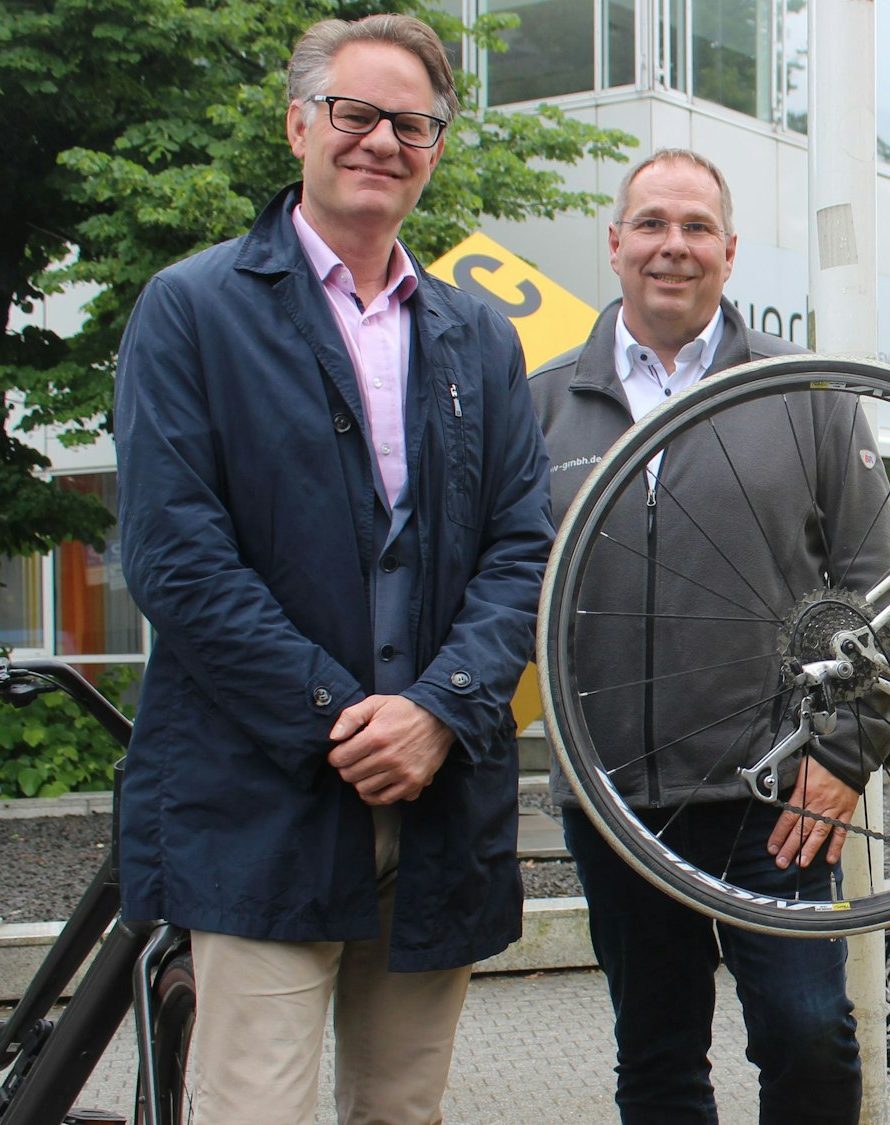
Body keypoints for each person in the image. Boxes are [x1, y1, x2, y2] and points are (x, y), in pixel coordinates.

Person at [113, 14, 551, 1123]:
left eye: (412, 123)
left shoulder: (480, 339)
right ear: (300, 122)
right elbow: (175, 557)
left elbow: (520, 550)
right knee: (251, 1105)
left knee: (401, 1112)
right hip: (261, 793)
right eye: (355, 114)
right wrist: (339, 716)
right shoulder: (193, 308)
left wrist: (438, 711)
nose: (381, 141)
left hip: (441, 794)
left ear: (436, 148)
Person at [530, 148, 890, 1124]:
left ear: (729, 253)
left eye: (695, 228)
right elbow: (504, 590)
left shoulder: (804, 390)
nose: (672, 247)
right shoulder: (542, 403)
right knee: (655, 1058)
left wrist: (848, 752)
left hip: (777, 794)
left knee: (811, 1038)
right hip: (614, 796)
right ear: (614, 244)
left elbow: (876, 588)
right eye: (651, 224)